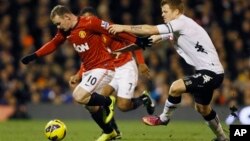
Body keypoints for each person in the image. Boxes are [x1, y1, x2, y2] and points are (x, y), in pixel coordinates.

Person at [21, 5, 151, 141]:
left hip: (103, 67)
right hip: (90, 70)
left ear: (67, 17)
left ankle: (108, 102)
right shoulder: (66, 31)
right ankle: (110, 132)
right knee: (90, 106)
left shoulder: (90, 22)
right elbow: (54, 43)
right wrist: (34, 56)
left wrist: (137, 40)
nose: (58, 27)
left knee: (78, 95)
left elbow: (115, 29)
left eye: (58, 23)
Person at [108, 0, 228, 140]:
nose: (162, 14)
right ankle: (222, 138)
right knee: (202, 109)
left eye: (165, 11)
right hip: (206, 72)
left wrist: (122, 27)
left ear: (176, 12)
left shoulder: (181, 23)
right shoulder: (175, 28)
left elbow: (150, 29)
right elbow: (150, 40)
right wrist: (123, 51)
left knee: (175, 87)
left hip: (212, 73)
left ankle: (163, 119)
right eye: (162, 11)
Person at [70, 7, 155, 140]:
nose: (87, 21)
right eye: (84, 18)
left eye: (90, 18)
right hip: (107, 69)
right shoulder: (86, 35)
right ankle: (114, 132)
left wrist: (141, 63)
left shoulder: (108, 28)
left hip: (125, 66)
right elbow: (89, 59)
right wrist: (78, 74)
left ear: (95, 18)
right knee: (97, 101)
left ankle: (143, 99)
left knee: (123, 106)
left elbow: (133, 40)